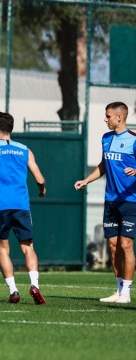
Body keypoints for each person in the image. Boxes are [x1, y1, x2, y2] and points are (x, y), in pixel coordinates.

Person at [0, 112, 47, 305]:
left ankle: (13, 290)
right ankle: (34, 285)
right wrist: (42, 189)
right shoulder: (25, 150)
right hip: (21, 205)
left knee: (3, 247)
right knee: (28, 247)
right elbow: (40, 178)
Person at [75, 101, 135, 304]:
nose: (105, 119)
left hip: (130, 201)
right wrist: (86, 180)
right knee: (112, 246)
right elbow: (103, 165)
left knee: (126, 245)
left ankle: (126, 292)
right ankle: (118, 290)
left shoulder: (134, 139)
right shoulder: (105, 138)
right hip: (110, 200)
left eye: (108, 116)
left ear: (120, 117)